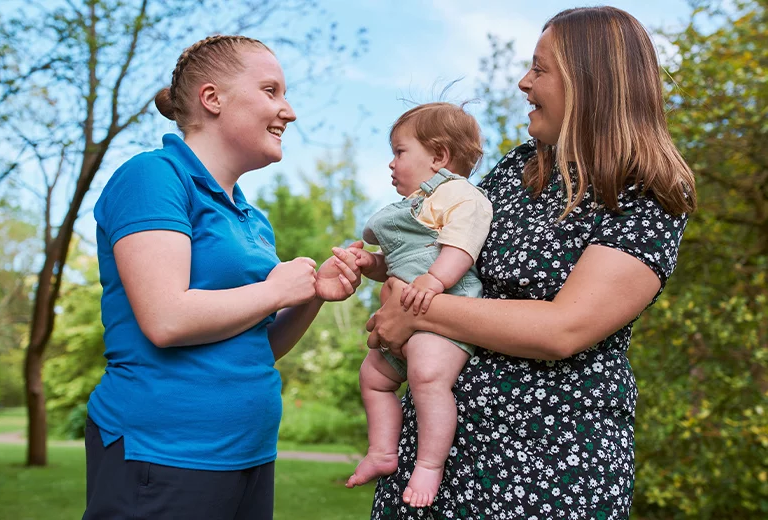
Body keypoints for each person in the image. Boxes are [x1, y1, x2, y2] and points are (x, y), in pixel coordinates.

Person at [355, 7, 697, 519]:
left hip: (548, 468)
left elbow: (563, 328)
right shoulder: (521, 167)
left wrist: (415, 309)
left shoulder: (648, 191)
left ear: (590, 82)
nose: (523, 82)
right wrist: (377, 266)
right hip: (445, 457)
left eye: (540, 69)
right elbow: (445, 249)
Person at [83, 35, 360, 520]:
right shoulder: (154, 176)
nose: (288, 111)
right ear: (212, 99)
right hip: (163, 453)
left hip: (249, 454)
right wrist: (274, 289)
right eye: (271, 91)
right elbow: (166, 320)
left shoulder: (252, 218)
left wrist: (312, 297)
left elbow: (254, 344)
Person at [342, 103, 493, 507]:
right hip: (405, 317)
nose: (391, 164)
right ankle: (382, 451)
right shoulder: (411, 208)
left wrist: (436, 278)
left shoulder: (461, 196)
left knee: (427, 378)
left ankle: (428, 465)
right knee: (373, 378)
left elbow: (462, 244)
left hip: (442, 311)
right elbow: (395, 263)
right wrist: (369, 263)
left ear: (439, 156)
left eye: (400, 151)